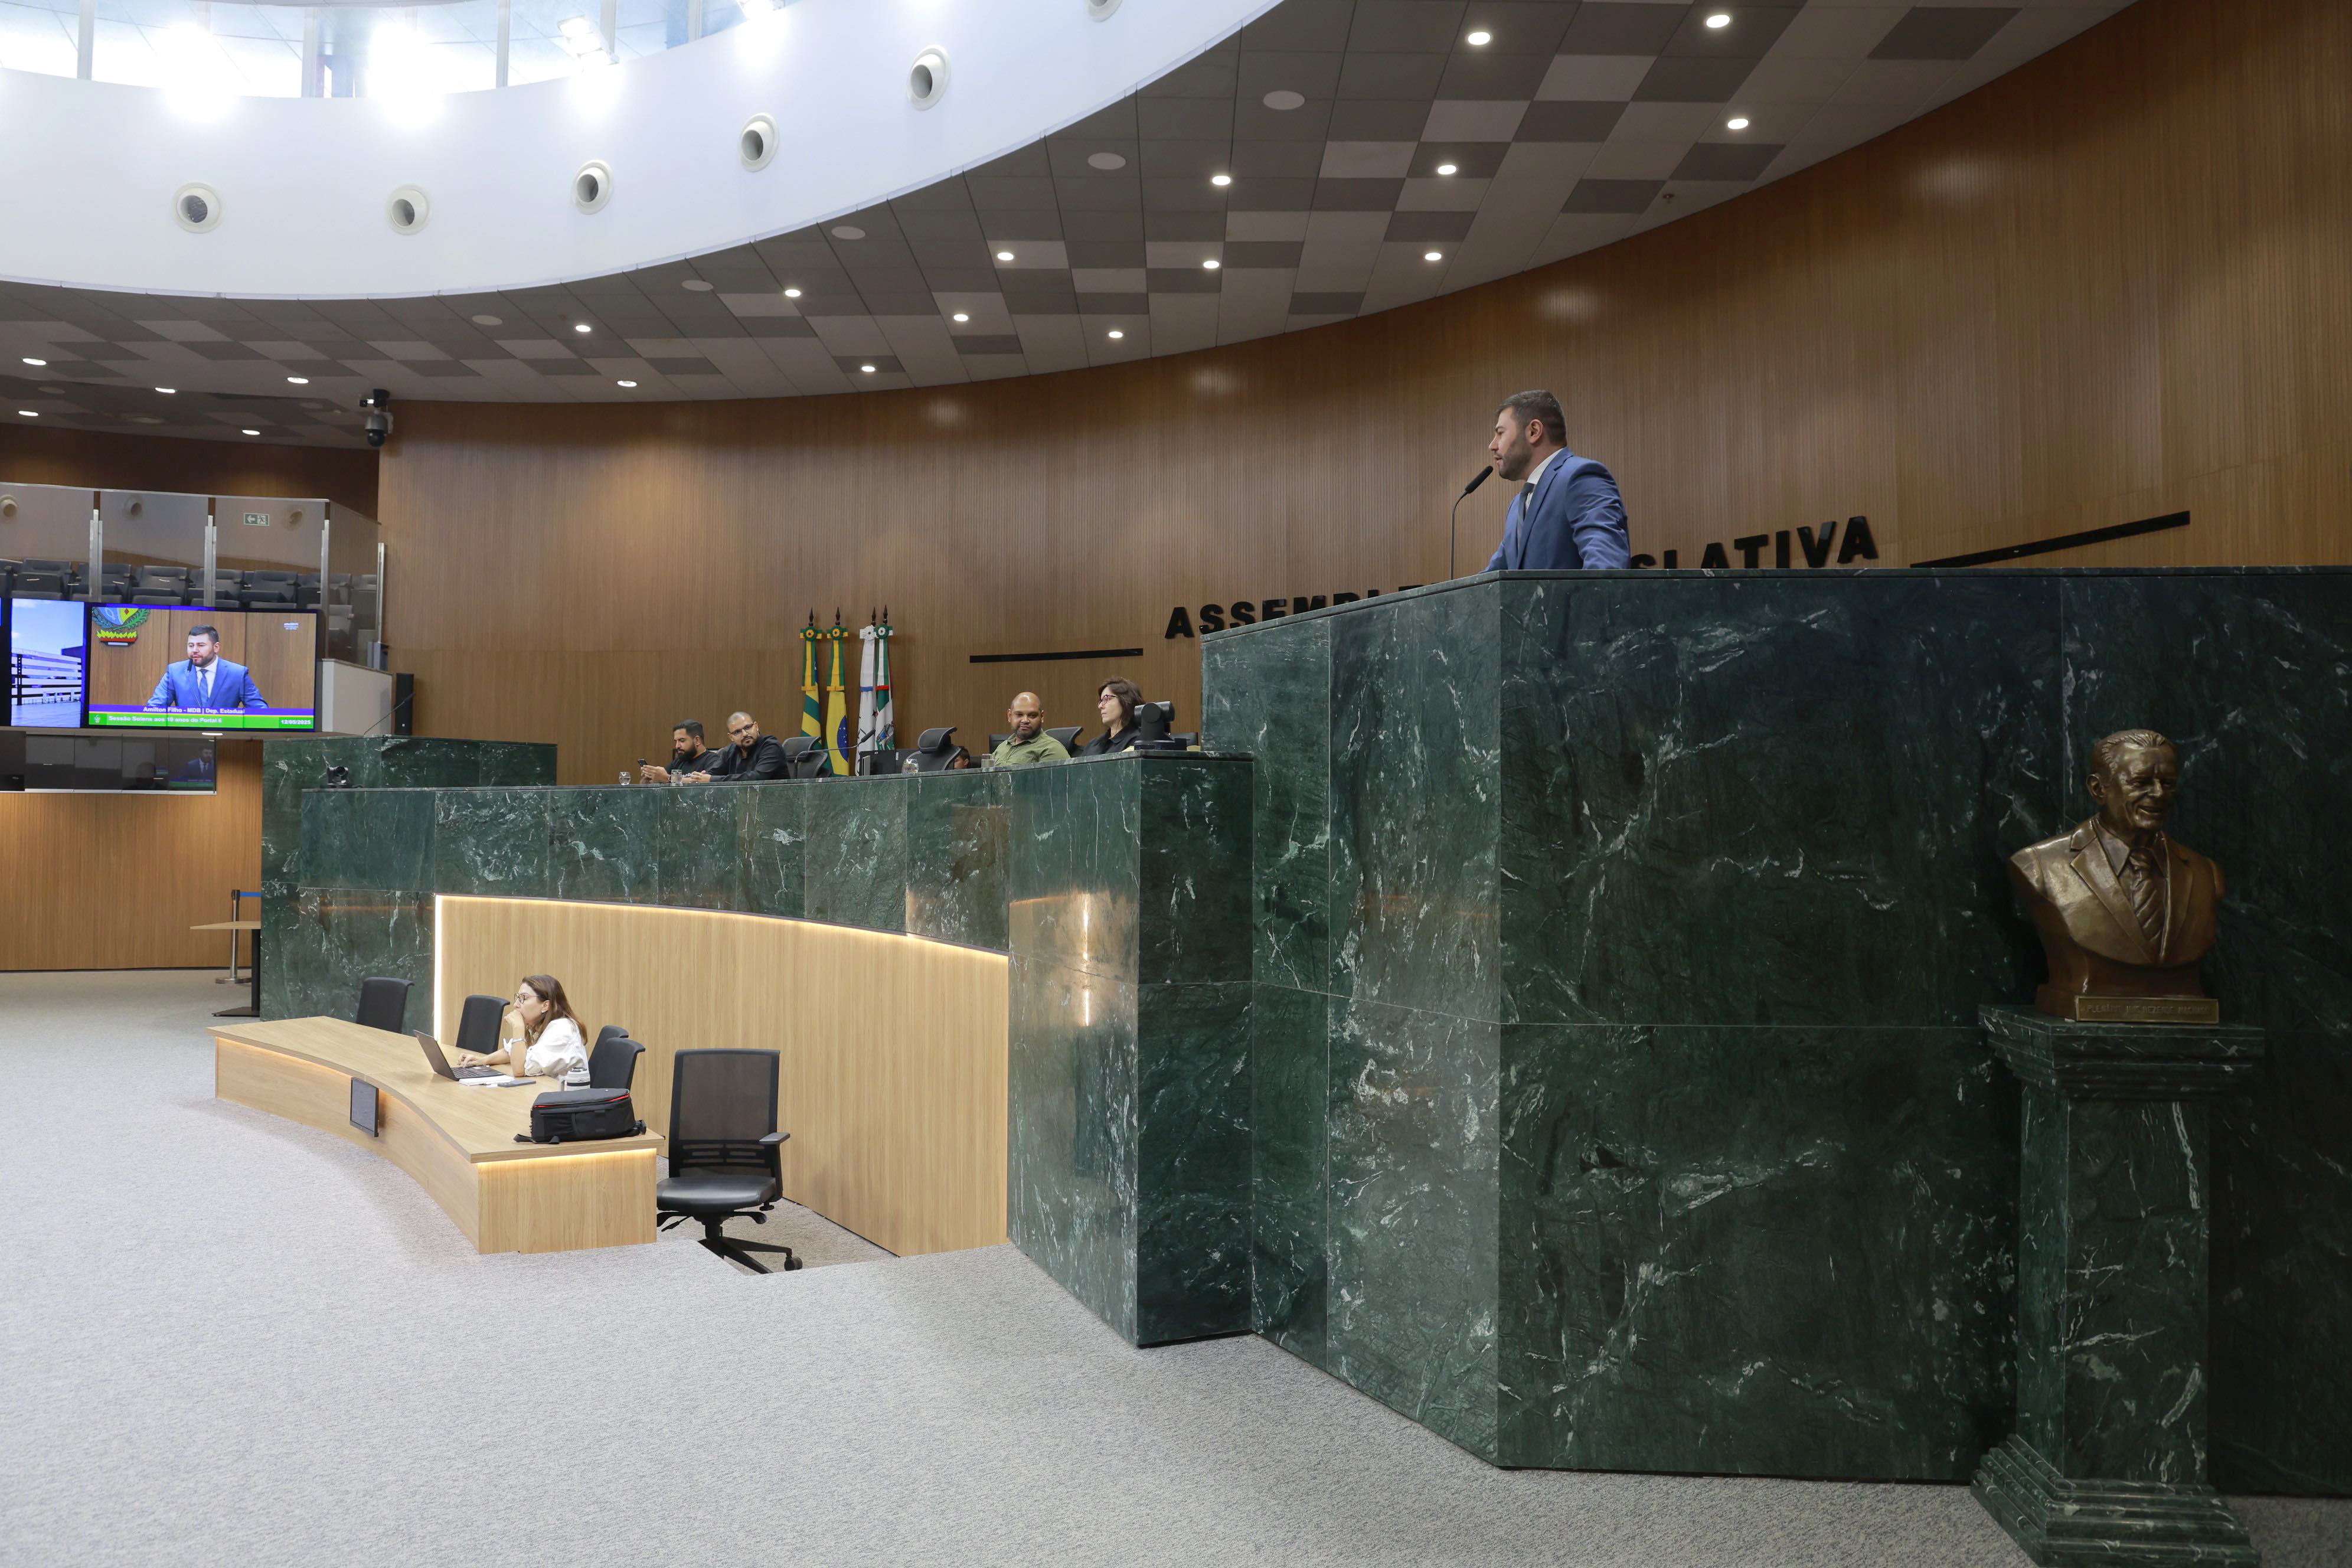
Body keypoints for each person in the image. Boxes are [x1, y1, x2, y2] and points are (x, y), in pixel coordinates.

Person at [1482, 390, 1631, 571]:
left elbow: (1606, 567)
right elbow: (1492, 578)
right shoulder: (1517, 506)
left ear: (1534, 431)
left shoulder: (1580, 477)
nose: (1492, 445)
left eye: (1500, 433)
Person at [457, 974, 590, 1080]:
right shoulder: (539, 1024)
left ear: (545, 1005)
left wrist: (518, 1028)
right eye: (518, 998)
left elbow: (520, 1070)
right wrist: (482, 1061)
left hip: (566, 1101)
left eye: (524, 998)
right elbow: (511, 1052)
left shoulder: (562, 1030)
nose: (516, 1005)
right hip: (545, 1093)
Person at [145, 625, 266, 711]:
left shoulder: (237, 674)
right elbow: (155, 708)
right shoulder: (175, 672)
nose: (194, 650)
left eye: (201, 645)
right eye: (191, 645)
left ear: (216, 647)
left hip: (225, 736)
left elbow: (260, 711)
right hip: (185, 736)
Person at [690, 710, 789, 782]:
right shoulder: (730, 751)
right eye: (737, 732)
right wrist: (701, 777)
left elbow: (757, 778)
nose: (745, 734)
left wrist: (712, 779)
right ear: (731, 737)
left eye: (748, 727)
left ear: (756, 726)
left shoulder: (771, 746)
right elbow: (712, 774)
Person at [991, 691, 1069, 768]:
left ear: (1042, 717)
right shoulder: (1002, 747)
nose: (1025, 720)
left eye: (1032, 716)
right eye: (1019, 715)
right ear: (1010, 716)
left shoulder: (1052, 749)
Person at [1076, 677, 1144, 756]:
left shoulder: (1138, 741)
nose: (1100, 706)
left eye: (1106, 699)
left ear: (1126, 700)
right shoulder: (1093, 745)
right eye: (1101, 701)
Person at [640, 720, 711, 783]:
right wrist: (651, 779)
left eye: (682, 741)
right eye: (676, 741)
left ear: (697, 741)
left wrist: (668, 778)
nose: (677, 746)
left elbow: (702, 781)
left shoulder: (713, 760)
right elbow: (663, 777)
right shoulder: (679, 761)